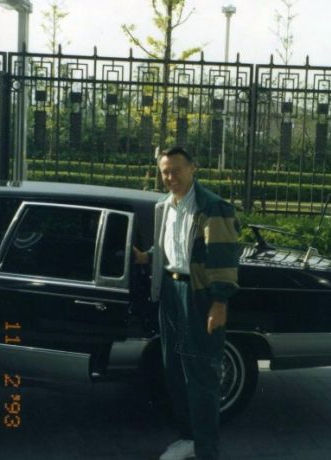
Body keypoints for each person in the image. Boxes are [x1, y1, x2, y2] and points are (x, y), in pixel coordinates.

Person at [133, 146, 239, 460]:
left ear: (194, 168)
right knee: (175, 371)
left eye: (177, 170)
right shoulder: (165, 206)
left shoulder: (212, 207)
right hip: (170, 292)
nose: (170, 177)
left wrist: (219, 302)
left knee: (202, 375)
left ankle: (207, 450)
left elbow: (223, 257)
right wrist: (147, 257)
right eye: (165, 171)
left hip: (199, 296)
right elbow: (171, 245)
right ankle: (188, 439)